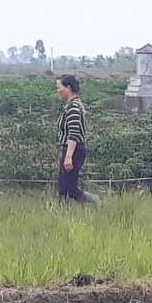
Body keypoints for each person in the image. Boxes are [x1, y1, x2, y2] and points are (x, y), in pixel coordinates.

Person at [55, 74, 99, 205]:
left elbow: (73, 134)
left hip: (73, 150)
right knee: (63, 187)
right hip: (71, 150)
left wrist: (68, 157)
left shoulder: (73, 107)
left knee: (70, 188)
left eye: (59, 87)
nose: (58, 91)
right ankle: (63, 212)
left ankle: (93, 203)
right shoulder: (71, 105)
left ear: (68, 87)